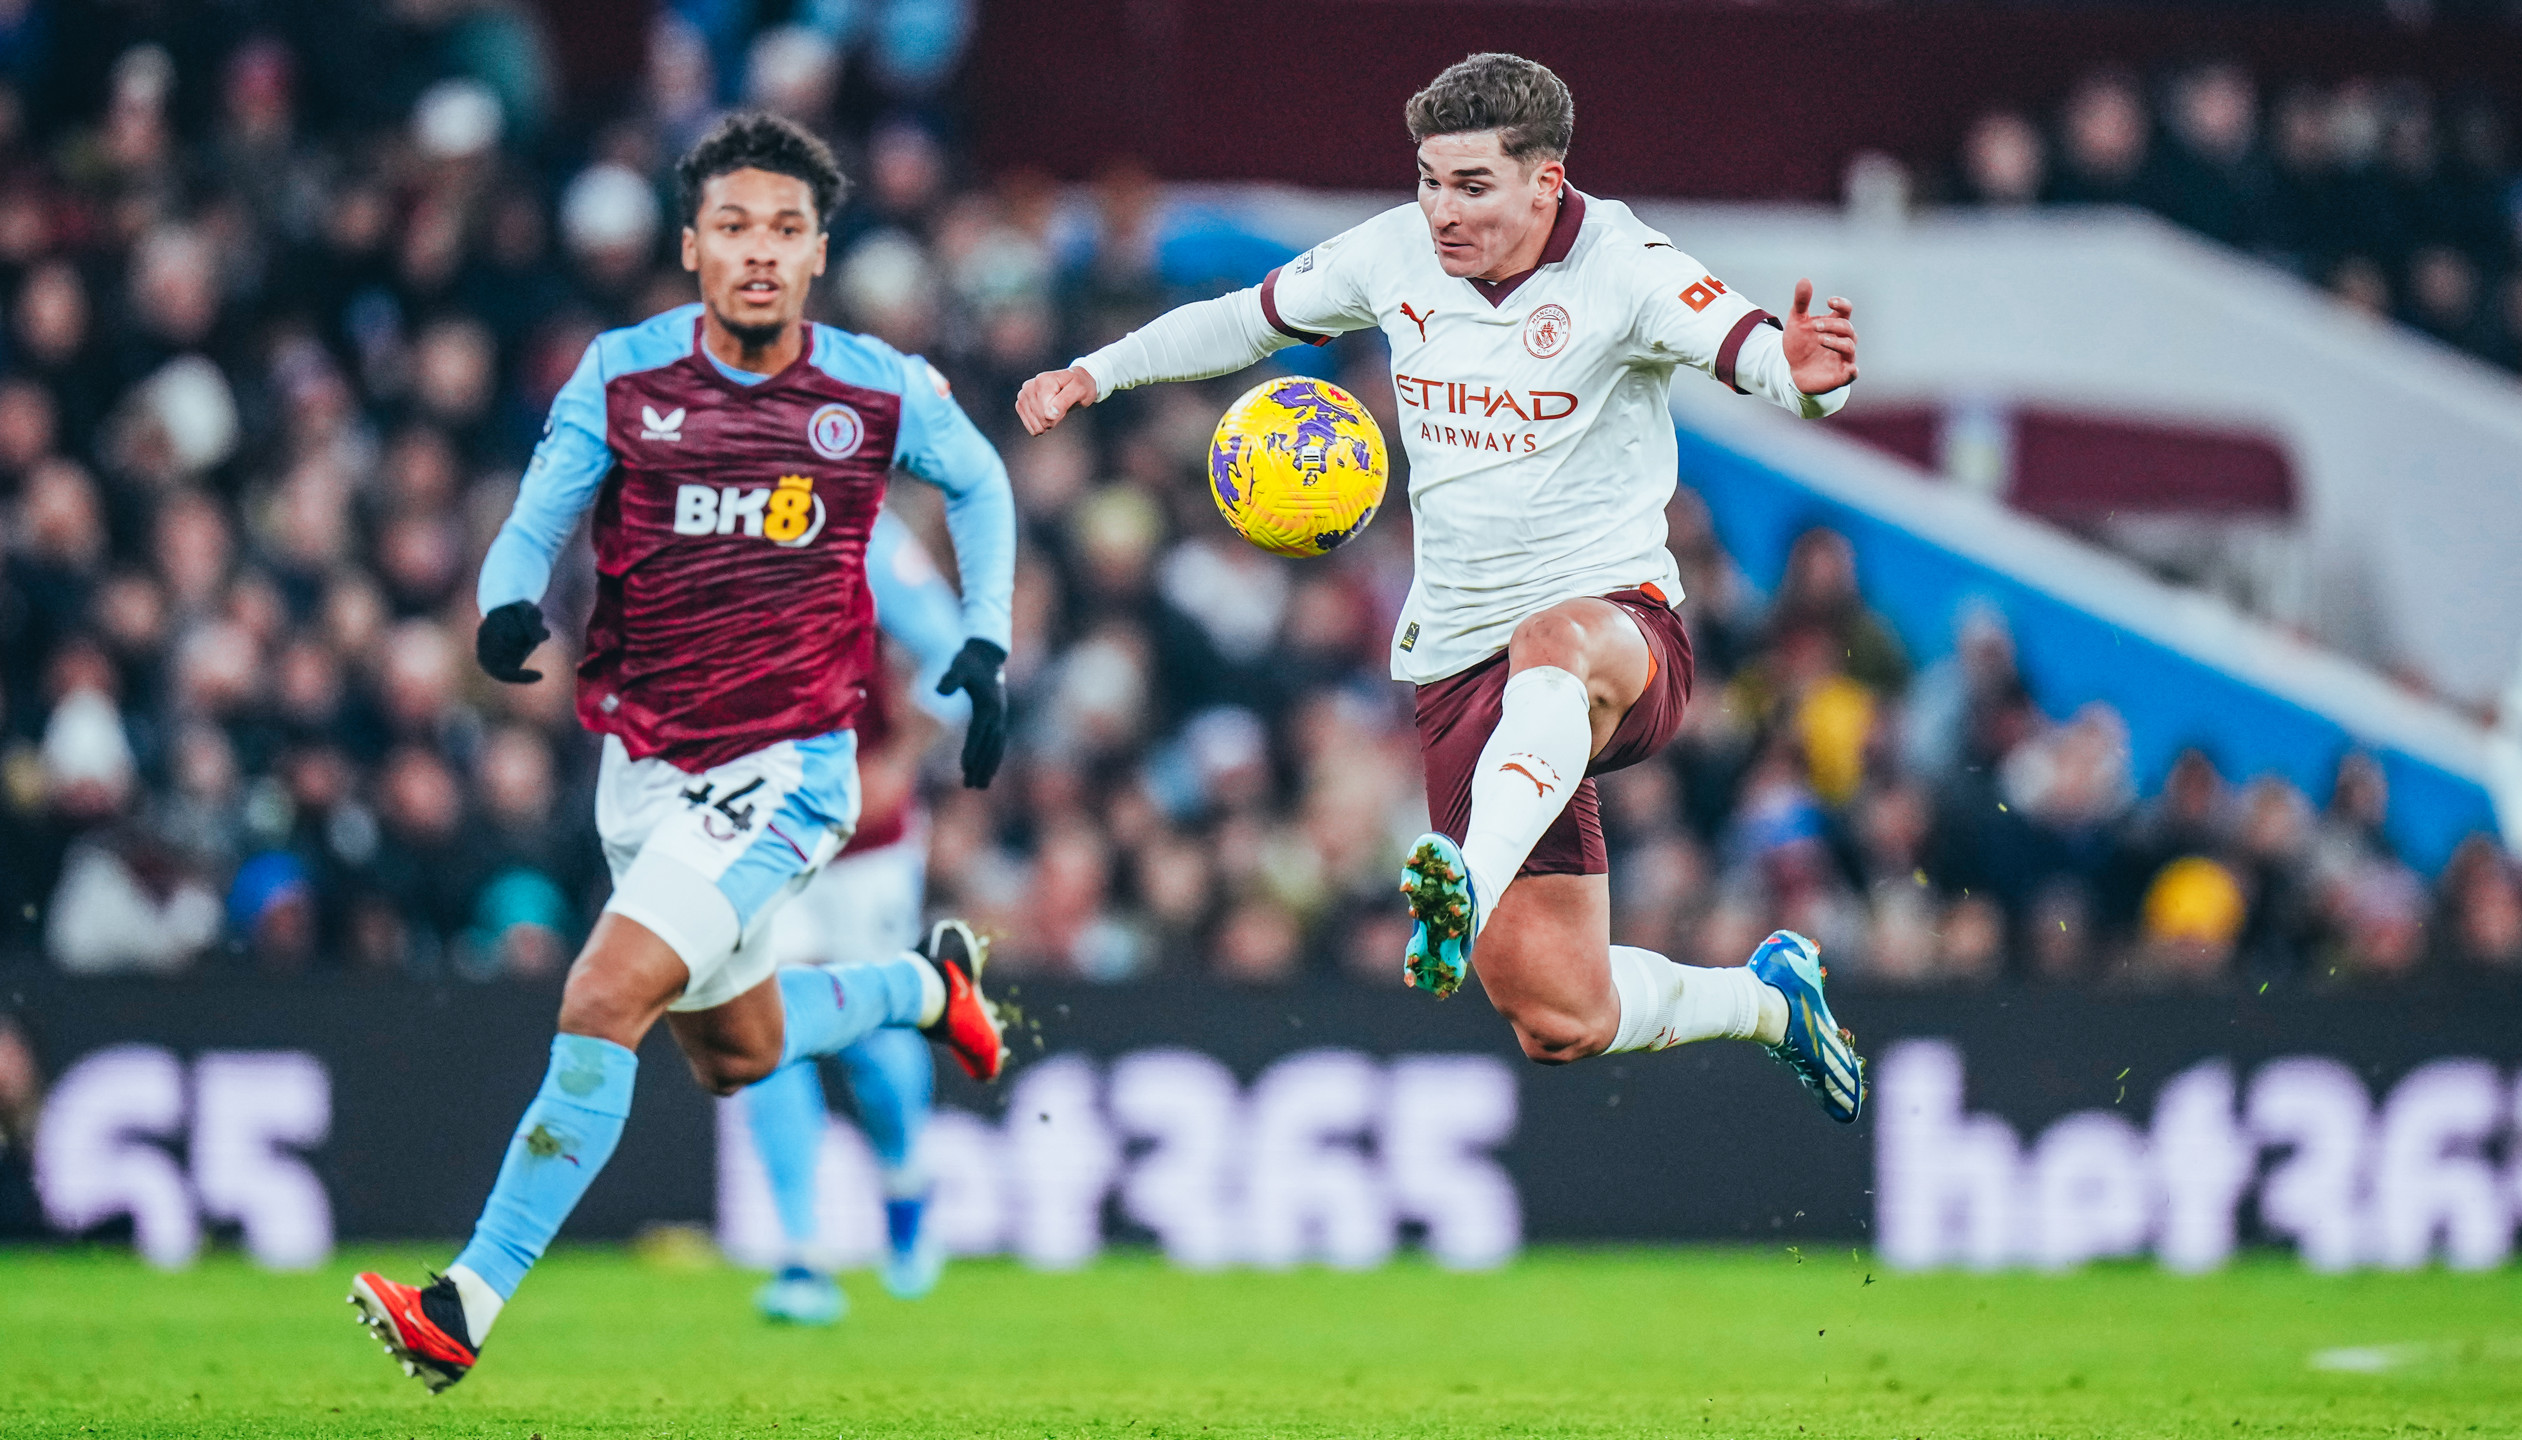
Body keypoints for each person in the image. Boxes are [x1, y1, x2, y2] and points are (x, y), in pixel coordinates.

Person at [1016, 54, 1863, 1122]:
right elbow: (1247, 318)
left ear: (1545, 184)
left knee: (1553, 641)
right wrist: (1096, 371)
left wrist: (1809, 382)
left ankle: (1459, 885)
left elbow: (1757, 353)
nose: (1440, 210)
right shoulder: (1393, 253)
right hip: (1461, 660)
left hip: (1621, 637)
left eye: (1471, 186)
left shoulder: (1629, 268)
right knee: (1561, 1018)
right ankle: (1766, 1003)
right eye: (1428, 179)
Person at [349, 112, 1018, 1394]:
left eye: (784, 230)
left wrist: (983, 644)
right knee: (739, 1052)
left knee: (605, 996)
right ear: (689, 245)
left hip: (790, 769)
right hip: (643, 768)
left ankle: (463, 1301)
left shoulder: (876, 386)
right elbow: (537, 510)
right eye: (732, 227)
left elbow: (982, 483)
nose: (758, 252)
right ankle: (929, 994)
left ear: (819, 252)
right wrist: (503, 599)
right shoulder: (621, 374)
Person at [746, 506, 968, 1325]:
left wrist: (903, 758)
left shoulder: (864, 535)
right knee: (766, 1032)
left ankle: (905, 1187)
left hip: (867, 842)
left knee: (872, 1045)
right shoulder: (694, 523)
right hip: (762, 835)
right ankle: (802, 1256)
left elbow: (954, 653)